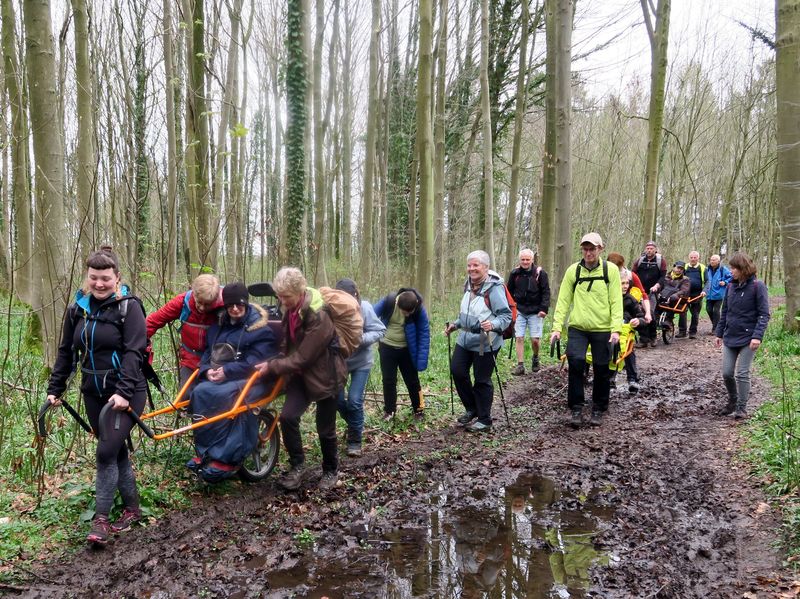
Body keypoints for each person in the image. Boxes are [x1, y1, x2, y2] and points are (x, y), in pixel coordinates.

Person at [46, 246, 148, 546]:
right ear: (87, 278)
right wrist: (56, 388)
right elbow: (66, 351)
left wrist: (125, 392)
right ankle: (133, 509)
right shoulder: (77, 308)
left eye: (105, 278)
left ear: (117, 277)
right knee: (115, 451)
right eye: (94, 278)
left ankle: (100, 521)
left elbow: (134, 352)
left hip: (126, 392)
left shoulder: (130, 307)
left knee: (104, 453)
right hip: (92, 392)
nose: (99, 284)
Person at [255, 267, 347, 491]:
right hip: (300, 375)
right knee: (287, 417)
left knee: (325, 428)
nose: (282, 301)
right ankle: (297, 466)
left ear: (300, 291)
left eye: (286, 296)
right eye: (280, 296)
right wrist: (275, 359)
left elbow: (304, 357)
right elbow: (289, 345)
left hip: (326, 376)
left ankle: (330, 471)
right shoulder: (290, 309)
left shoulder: (319, 315)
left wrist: (272, 366)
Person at [186, 282, 278, 480]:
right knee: (200, 392)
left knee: (224, 397)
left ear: (246, 304)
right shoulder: (219, 326)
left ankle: (227, 458)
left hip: (254, 379)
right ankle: (207, 452)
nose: (235, 309)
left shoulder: (260, 329)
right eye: (230, 306)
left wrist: (226, 372)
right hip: (225, 376)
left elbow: (256, 362)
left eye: (239, 305)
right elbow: (208, 354)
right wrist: (207, 371)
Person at [549, 233, 622, 427]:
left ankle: (598, 407)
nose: (588, 252)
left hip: (603, 328)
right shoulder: (574, 271)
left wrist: (616, 330)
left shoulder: (611, 270)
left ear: (600, 249)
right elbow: (563, 300)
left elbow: (616, 300)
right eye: (585, 249)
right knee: (576, 362)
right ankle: (576, 407)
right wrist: (557, 327)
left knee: (601, 367)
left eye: (592, 249)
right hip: (578, 327)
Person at [444, 250, 512, 433]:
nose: (471, 269)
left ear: (486, 267)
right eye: (469, 265)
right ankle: (472, 408)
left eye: (476, 265)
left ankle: (484, 419)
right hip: (465, 337)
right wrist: (456, 324)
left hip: (484, 340)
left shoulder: (494, 288)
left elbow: (506, 316)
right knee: (457, 371)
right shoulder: (468, 284)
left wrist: (494, 324)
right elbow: (468, 312)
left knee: (481, 379)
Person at [334, 278, 386, 457]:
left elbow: (380, 330)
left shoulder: (365, 308)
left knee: (354, 400)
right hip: (339, 363)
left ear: (355, 295)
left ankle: (355, 441)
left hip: (361, 362)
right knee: (337, 401)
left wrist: (360, 339)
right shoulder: (332, 309)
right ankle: (355, 425)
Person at [715, 252, 769, 419]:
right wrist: (719, 333)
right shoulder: (730, 287)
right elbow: (725, 311)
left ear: (743, 269)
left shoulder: (757, 286)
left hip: (749, 338)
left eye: (734, 268)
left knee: (742, 373)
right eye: (731, 268)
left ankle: (741, 407)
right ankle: (732, 400)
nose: (731, 271)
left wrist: (757, 336)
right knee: (727, 373)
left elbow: (764, 314)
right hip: (730, 336)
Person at [146, 274, 224, 386]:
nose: (202, 308)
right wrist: (133, 341)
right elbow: (153, 321)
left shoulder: (227, 304)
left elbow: (248, 320)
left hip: (217, 361)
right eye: (199, 302)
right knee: (185, 397)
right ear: (194, 293)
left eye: (207, 304)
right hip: (190, 360)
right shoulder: (183, 302)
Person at [373, 288, 430, 421]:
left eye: (409, 313)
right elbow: (371, 314)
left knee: (413, 381)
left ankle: (419, 409)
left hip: (407, 349)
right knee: (388, 380)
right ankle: (389, 412)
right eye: (404, 312)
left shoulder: (418, 309)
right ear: (398, 304)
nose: (406, 315)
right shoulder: (389, 302)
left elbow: (424, 333)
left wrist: (421, 360)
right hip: (387, 346)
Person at [507, 248, 550, 376]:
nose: (525, 262)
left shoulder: (540, 274)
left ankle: (535, 358)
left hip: (536, 311)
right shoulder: (515, 274)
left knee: (535, 340)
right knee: (519, 337)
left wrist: (544, 309)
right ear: (519, 260)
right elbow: (508, 292)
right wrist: (510, 308)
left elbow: (546, 292)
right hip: (519, 309)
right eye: (523, 259)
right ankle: (520, 365)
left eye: (527, 259)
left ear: (532, 260)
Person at [631, 241, 667, 348]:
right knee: (638, 313)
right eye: (648, 248)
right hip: (640, 291)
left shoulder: (661, 261)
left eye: (651, 248)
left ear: (655, 249)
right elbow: (633, 273)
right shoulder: (640, 260)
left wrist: (657, 286)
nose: (649, 250)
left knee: (649, 312)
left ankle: (653, 337)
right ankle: (643, 339)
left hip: (653, 291)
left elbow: (663, 277)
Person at [606, 252, 652, 327]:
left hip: (629, 306)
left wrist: (648, 313)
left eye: (618, 268)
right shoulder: (603, 275)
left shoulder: (631, 276)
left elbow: (643, 295)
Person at [618, 269, 645, 393]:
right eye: (621, 283)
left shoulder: (631, 299)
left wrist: (638, 321)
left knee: (628, 351)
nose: (625, 286)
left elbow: (641, 316)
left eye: (626, 283)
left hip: (626, 331)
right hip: (609, 330)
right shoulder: (606, 298)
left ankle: (632, 379)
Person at [650, 261, 691, 337]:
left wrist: (674, 296)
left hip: (677, 301)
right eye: (678, 268)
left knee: (672, 300)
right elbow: (660, 286)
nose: (679, 270)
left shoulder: (685, 279)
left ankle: (668, 321)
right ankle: (653, 321)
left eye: (681, 269)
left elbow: (684, 290)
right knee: (653, 298)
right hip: (663, 298)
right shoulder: (666, 277)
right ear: (674, 267)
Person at [677, 251, 706, 338]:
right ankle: (682, 331)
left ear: (698, 258)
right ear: (689, 258)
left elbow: (708, 281)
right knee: (682, 312)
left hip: (697, 294)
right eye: (691, 257)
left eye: (695, 257)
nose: (693, 259)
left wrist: (704, 291)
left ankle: (692, 332)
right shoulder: (684, 267)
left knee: (695, 313)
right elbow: (678, 278)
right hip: (685, 293)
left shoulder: (703, 268)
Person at [704, 254, 732, 335]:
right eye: (711, 259)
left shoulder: (723, 269)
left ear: (718, 261)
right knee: (708, 310)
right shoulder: (707, 269)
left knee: (716, 311)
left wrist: (725, 282)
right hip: (709, 294)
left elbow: (731, 277)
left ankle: (715, 328)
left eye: (714, 260)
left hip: (719, 294)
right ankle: (717, 325)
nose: (712, 261)